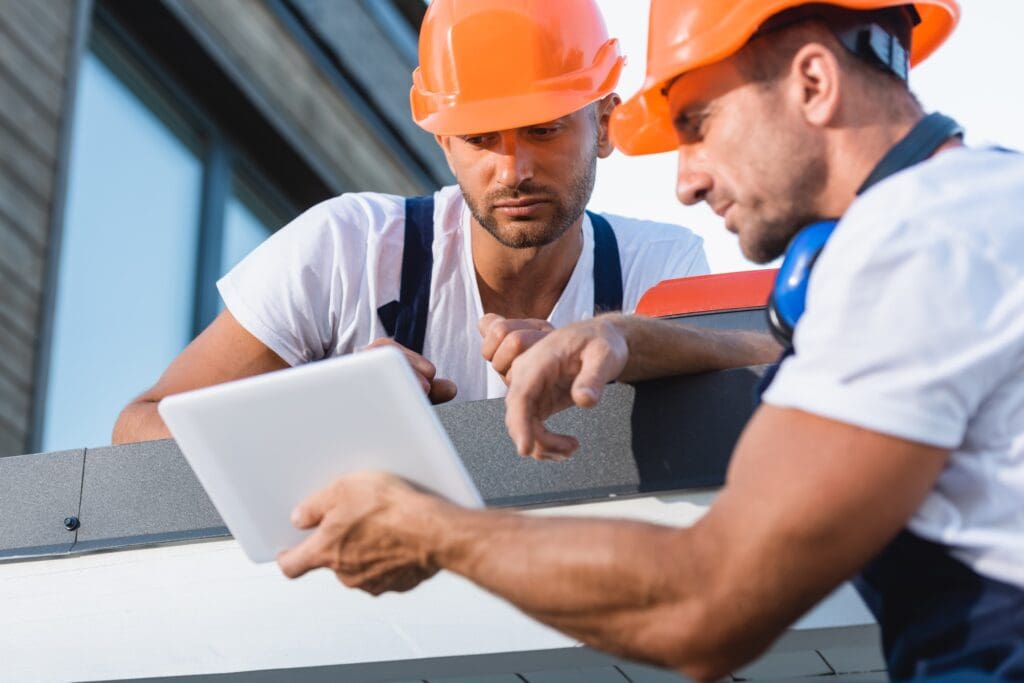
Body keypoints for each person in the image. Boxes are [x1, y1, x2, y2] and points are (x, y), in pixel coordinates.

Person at [276, 1, 1024, 680]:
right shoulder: (973, 213)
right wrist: (627, 336)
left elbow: (705, 604)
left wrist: (429, 530)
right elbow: (809, 368)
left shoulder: (914, 250)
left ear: (814, 82)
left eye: (697, 125)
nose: (686, 182)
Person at [112, 0, 775, 444]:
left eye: (542, 129)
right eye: (480, 138)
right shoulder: (345, 250)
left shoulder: (660, 269)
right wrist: (315, 411)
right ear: (443, 143)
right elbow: (136, 428)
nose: (512, 169)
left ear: (603, 123)